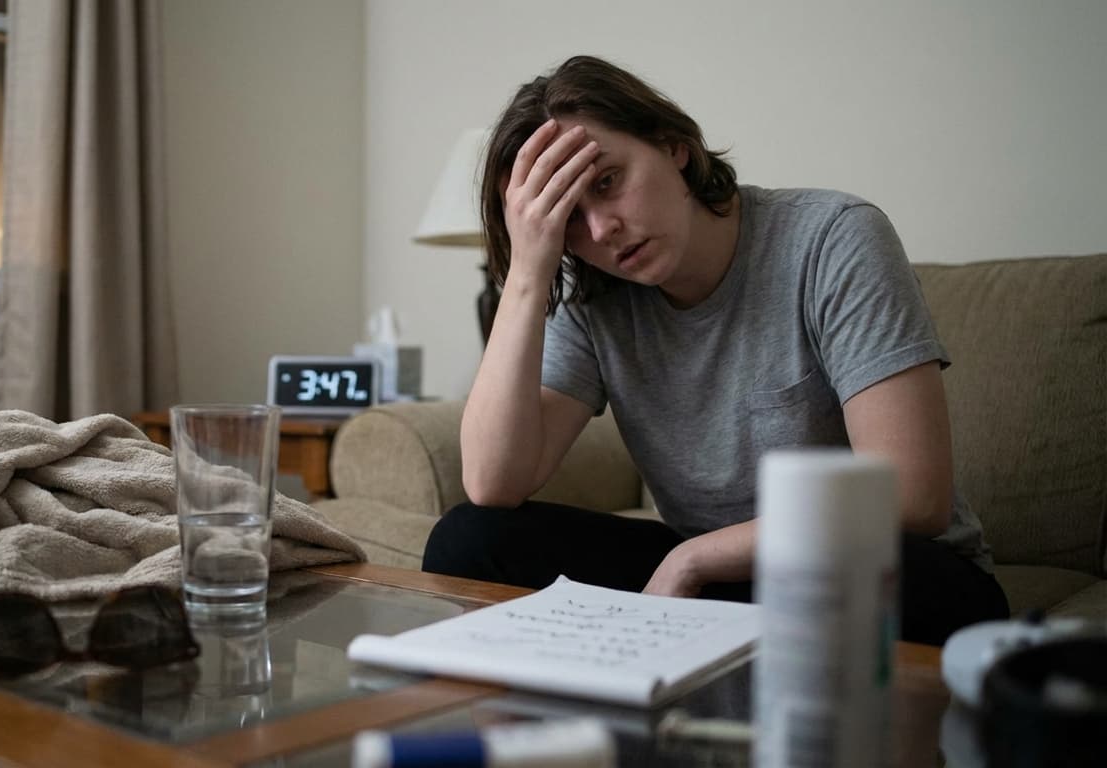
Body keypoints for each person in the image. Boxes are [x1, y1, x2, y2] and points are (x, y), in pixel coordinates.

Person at [421, 55, 1009, 645]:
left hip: (894, 575)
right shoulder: (597, 299)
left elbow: (914, 496)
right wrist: (526, 272)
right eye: (570, 219)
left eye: (608, 182)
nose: (601, 231)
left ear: (673, 145)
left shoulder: (833, 237)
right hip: (723, 586)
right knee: (470, 539)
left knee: (857, 583)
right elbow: (494, 484)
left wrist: (695, 559)